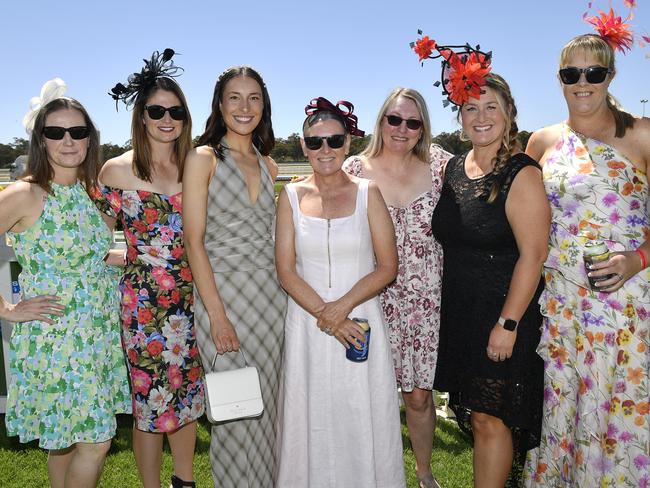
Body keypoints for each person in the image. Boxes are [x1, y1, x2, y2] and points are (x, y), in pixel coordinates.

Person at [415, 36, 550, 487]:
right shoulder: (454, 168)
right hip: (462, 312)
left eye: (491, 107)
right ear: (459, 115)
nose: (481, 118)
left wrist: (507, 325)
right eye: (471, 108)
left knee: (492, 419)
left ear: (509, 112)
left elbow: (534, 255)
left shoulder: (521, 172)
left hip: (503, 314)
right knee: (476, 418)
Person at [523, 24, 650, 487]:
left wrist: (637, 259)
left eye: (593, 72)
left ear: (611, 76)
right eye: (571, 73)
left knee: (621, 404)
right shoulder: (541, 142)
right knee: (569, 401)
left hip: (628, 303)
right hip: (564, 303)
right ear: (559, 78)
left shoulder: (642, 135)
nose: (582, 82)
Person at [0, 83, 131, 488]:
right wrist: (7, 309)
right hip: (57, 338)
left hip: (95, 333)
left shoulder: (88, 193)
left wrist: (139, 259)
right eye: (56, 132)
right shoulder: (26, 193)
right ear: (41, 140)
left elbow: (84, 256)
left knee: (67, 441)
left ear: (91, 138)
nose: (68, 141)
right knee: (96, 443)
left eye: (77, 131)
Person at [275, 96, 405, 487]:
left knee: (358, 412)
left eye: (334, 140)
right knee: (309, 415)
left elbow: (388, 266)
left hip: (360, 322)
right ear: (304, 146)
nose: (325, 150)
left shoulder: (369, 193)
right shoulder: (291, 197)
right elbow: (285, 270)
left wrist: (342, 311)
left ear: (348, 143)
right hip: (306, 324)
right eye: (315, 143)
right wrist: (325, 315)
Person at [93, 50, 204, 488]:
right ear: (141, 116)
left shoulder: (198, 165)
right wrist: (134, 260)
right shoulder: (116, 170)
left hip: (194, 295)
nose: (167, 119)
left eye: (176, 111)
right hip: (143, 306)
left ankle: (185, 480)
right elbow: (95, 241)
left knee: (187, 394)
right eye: (157, 110)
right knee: (151, 399)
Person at [183, 66, 286, 487]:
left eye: (254, 98)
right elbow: (194, 242)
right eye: (234, 98)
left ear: (264, 106)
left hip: (270, 304)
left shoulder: (270, 165)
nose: (245, 107)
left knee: (268, 414)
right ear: (219, 105)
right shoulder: (202, 158)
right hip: (220, 299)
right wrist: (217, 316)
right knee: (232, 414)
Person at [344, 87, 452, 488]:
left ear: (422, 127)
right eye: (395, 119)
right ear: (381, 121)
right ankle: (372, 475)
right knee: (371, 396)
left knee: (419, 397)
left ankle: (424, 475)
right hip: (372, 299)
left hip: (427, 301)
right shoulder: (354, 169)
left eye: (413, 121)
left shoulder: (440, 165)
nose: (402, 129)